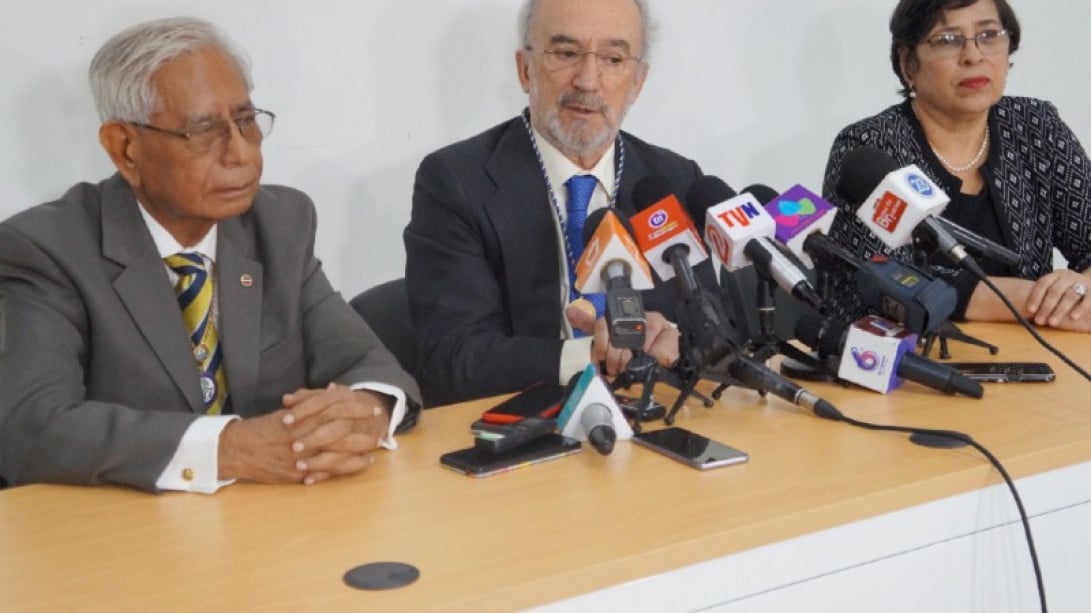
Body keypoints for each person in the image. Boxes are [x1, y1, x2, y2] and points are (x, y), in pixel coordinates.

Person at [0, 17, 421, 493]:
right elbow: (32, 428)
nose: (241, 153)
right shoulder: (46, 249)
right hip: (125, 539)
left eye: (245, 122)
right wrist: (229, 448)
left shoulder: (280, 223)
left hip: (273, 526)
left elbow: (371, 365)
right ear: (126, 149)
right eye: (203, 131)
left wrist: (367, 410)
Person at [405, 0, 715, 407]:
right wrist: (589, 357)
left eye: (613, 58)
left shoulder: (674, 181)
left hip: (655, 418)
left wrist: (679, 340)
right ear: (524, 69)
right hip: (527, 428)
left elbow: (714, 332)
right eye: (566, 53)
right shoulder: (456, 181)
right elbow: (454, 361)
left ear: (637, 82)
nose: (588, 80)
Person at [822, 0, 1091, 332]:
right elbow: (883, 281)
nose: (973, 56)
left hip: (1036, 359)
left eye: (989, 35)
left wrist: (1081, 291)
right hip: (911, 365)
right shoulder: (870, 147)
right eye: (948, 39)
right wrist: (1036, 298)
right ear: (909, 64)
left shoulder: (1037, 128)